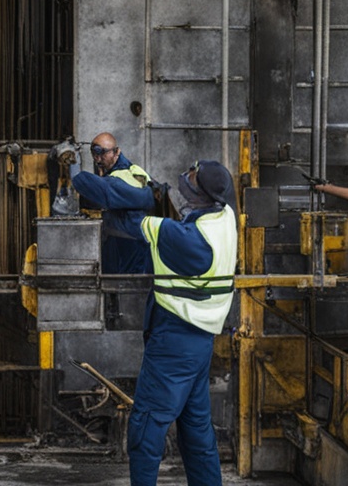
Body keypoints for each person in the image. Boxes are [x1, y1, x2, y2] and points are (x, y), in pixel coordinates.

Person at [124, 160, 238, 486]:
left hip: (174, 340)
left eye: (192, 176)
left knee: (146, 427)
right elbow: (191, 212)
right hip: (201, 342)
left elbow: (136, 223)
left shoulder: (183, 237)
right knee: (196, 430)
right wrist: (162, 192)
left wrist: (128, 194)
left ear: (201, 193)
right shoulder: (224, 217)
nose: (186, 175)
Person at [69, 133, 156, 275]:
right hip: (128, 241)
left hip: (130, 246)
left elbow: (82, 181)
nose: (98, 159)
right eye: (95, 154)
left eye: (103, 154)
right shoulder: (133, 170)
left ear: (117, 152)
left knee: (126, 287)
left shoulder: (118, 179)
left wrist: (74, 169)